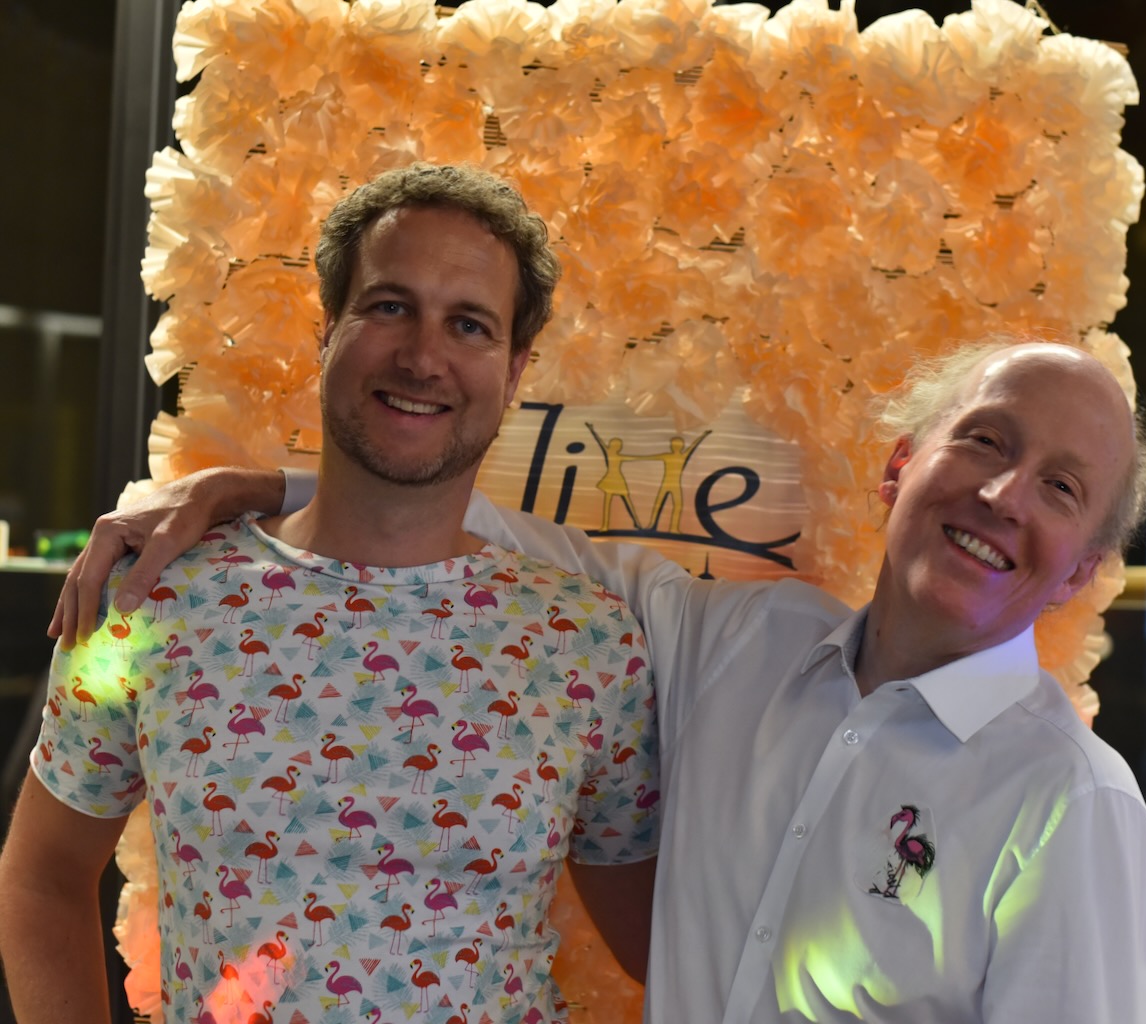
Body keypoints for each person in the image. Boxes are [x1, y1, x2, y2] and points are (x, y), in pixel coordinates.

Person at [39, 342, 1146, 1015]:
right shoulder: (744, 642)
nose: (1002, 494)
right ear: (898, 468)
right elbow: (508, 544)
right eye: (984, 441)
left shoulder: (1069, 805)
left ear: (1081, 572)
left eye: (1060, 488)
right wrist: (260, 493)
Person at [0, 163, 660, 1024]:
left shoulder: (588, 643)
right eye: (389, 306)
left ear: (514, 369)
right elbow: (43, 874)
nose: (422, 357)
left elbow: (664, 943)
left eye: (468, 324)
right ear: (327, 330)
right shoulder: (153, 600)